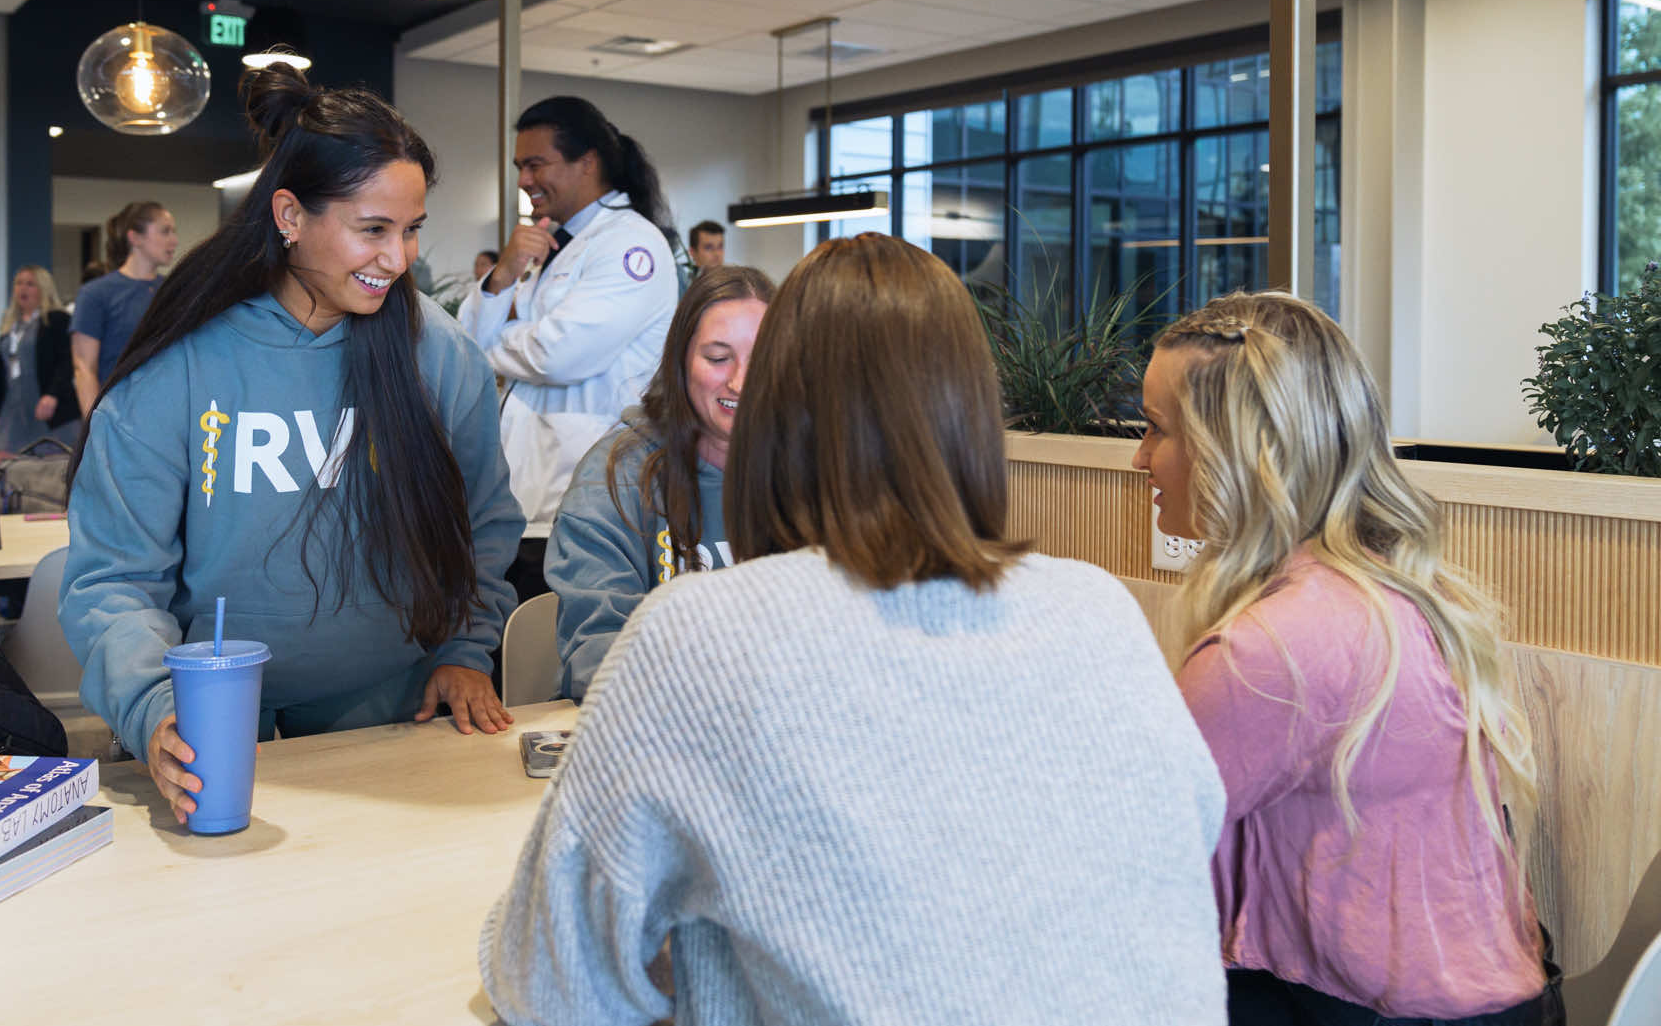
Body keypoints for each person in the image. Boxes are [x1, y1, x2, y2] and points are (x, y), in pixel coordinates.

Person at [482, 234, 1227, 1024]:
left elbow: (549, 979)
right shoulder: (1098, 610)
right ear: (977, 411)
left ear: (777, 410)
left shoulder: (700, 635)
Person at [59, 64, 524, 828]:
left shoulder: (439, 358)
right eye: (372, 229)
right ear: (289, 215)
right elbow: (115, 577)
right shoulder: (182, 364)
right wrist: (151, 704)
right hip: (208, 722)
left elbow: (484, 525)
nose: (398, 258)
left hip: (390, 714)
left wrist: (465, 649)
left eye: (411, 230)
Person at [1133, 291, 1559, 1025]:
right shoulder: (1397, 594)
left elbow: (1128, 848)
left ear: (1240, 449)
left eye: (1154, 428)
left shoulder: (1272, 649)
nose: (1139, 456)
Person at [547, 264, 773, 699]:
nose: (742, 381)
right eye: (718, 358)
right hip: (661, 733)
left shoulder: (811, 469)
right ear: (680, 361)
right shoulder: (616, 476)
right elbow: (596, 653)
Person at [459, 97, 679, 526]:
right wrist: (502, 276)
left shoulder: (631, 244)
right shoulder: (551, 243)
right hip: (532, 491)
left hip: (587, 494)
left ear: (587, 162)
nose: (524, 179)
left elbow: (558, 355)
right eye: (520, 166)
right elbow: (464, 337)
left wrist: (494, 339)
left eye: (536, 164)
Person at [71, 200, 177, 415]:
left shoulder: (174, 290)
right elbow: (84, 369)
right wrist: (94, 430)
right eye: (165, 232)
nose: (174, 241)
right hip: (119, 416)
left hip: (168, 414)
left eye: (174, 232)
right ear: (135, 237)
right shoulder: (96, 294)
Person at [0, 264, 80, 456]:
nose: (22, 289)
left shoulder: (56, 319)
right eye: (19, 283)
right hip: (14, 408)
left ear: (43, 290)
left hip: (48, 407)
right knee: (6, 469)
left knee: (51, 470)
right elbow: (7, 364)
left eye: (30, 284)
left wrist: (53, 395)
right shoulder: (10, 325)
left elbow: (67, 360)